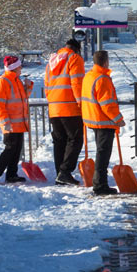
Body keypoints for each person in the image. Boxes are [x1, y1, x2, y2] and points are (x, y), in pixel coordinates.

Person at [80, 50, 124, 196]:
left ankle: (99, 182)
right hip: (103, 121)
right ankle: (100, 185)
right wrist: (118, 119)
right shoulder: (103, 79)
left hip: (92, 119)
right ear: (106, 62)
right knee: (103, 154)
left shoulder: (89, 76)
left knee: (101, 151)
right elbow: (107, 104)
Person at [46, 38, 85, 185]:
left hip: (54, 107)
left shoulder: (52, 61)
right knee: (75, 139)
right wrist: (81, 103)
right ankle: (65, 172)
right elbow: (77, 82)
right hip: (70, 107)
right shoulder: (74, 58)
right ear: (77, 49)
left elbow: (46, 84)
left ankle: (60, 174)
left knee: (59, 141)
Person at [0, 54, 33, 183]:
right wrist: (5, 122)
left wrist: (28, 87)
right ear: (14, 67)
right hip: (10, 123)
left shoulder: (16, 80)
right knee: (9, 149)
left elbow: (22, 98)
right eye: (19, 66)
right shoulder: (3, 81)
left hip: (18, 123)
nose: (21, 68)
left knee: (16, 150)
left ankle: (11, 174)